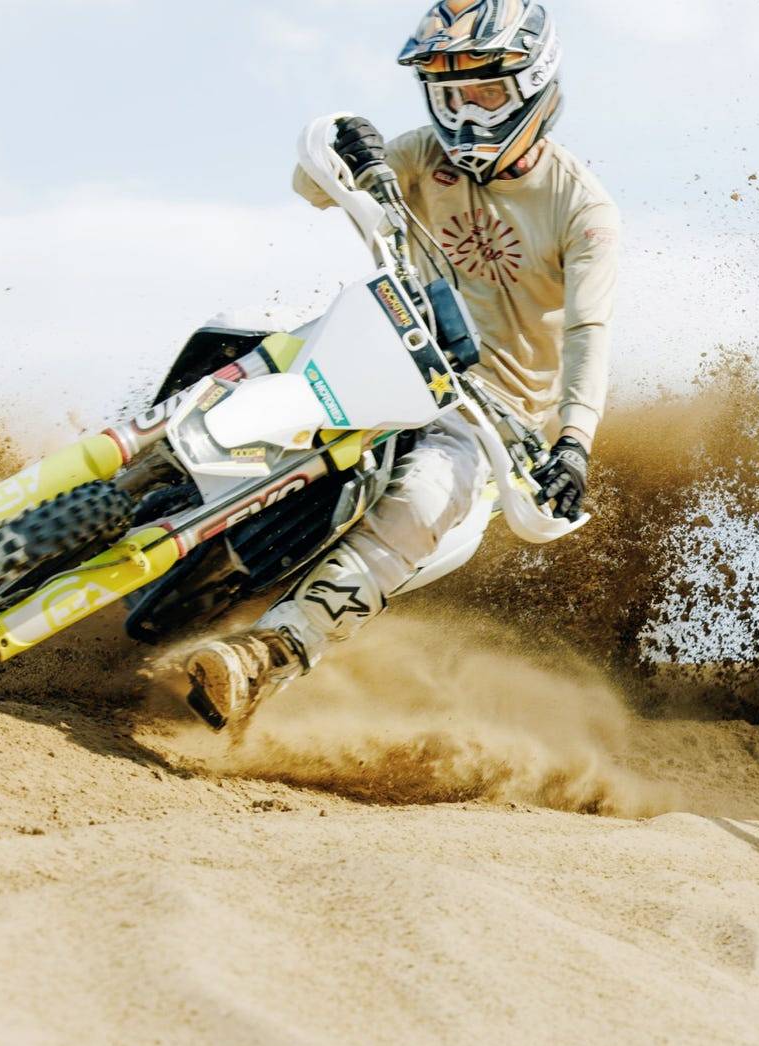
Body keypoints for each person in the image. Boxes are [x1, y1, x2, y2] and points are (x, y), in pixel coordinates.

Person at [185, 0, 620, 727]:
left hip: (484, 410)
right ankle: (132, 474)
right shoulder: (420, 154)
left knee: (421, 502)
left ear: (533, 84)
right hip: (382, 347)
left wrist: (573, 443)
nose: (467, 113)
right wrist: (344, 144)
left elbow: (589, 332)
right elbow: (313, 188)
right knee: (240, 345)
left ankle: (268, 658)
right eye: (451, 95)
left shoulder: (584, 209)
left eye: (486, 91)